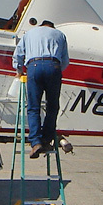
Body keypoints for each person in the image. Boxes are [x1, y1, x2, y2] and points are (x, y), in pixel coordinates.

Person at [13, 20, 69, 158]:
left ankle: (35, 142)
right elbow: (65, 61)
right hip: (53, 66)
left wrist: (20, 70)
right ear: (52, 27)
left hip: (34, 66)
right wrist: (55, 70)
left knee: (33, 107)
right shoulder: (60, 35)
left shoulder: (29, 34)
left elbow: (18, 55)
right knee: (52, 107)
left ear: (41, 26)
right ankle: (46, 139)